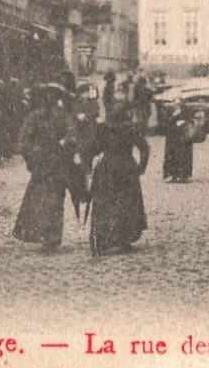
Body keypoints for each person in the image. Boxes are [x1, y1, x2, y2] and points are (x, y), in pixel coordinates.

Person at [13, 86, 79, 253]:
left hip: (57, 165)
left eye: (52, 96)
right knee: (39, 200)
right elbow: (23, 141)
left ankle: (53, 237)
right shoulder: (35, 118)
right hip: (42, 166)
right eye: (46, 97)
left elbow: (72, 136)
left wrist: (62, 144)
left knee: (55, 200)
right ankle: (43, 234)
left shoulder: (63, 117)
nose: (49, 100)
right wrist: (34, 152)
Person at [90, 100, 150, 256]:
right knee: (127, 202)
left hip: (107, 167)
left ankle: (105, 237)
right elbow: (144, 148)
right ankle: (124, 237)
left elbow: (93, 148)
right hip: (126, 166)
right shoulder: (130, 128)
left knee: (106, 202)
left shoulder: (103, 129)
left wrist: (91, 164)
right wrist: (141, 167)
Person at [162, 103, 193, 183]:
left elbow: (190, 119)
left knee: (185, 151)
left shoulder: (186, 108)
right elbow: (165, 122)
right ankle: (171, 173)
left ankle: (185, 174)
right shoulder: (168, 108)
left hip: (183, 131)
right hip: (172, 132)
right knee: (171, 151)